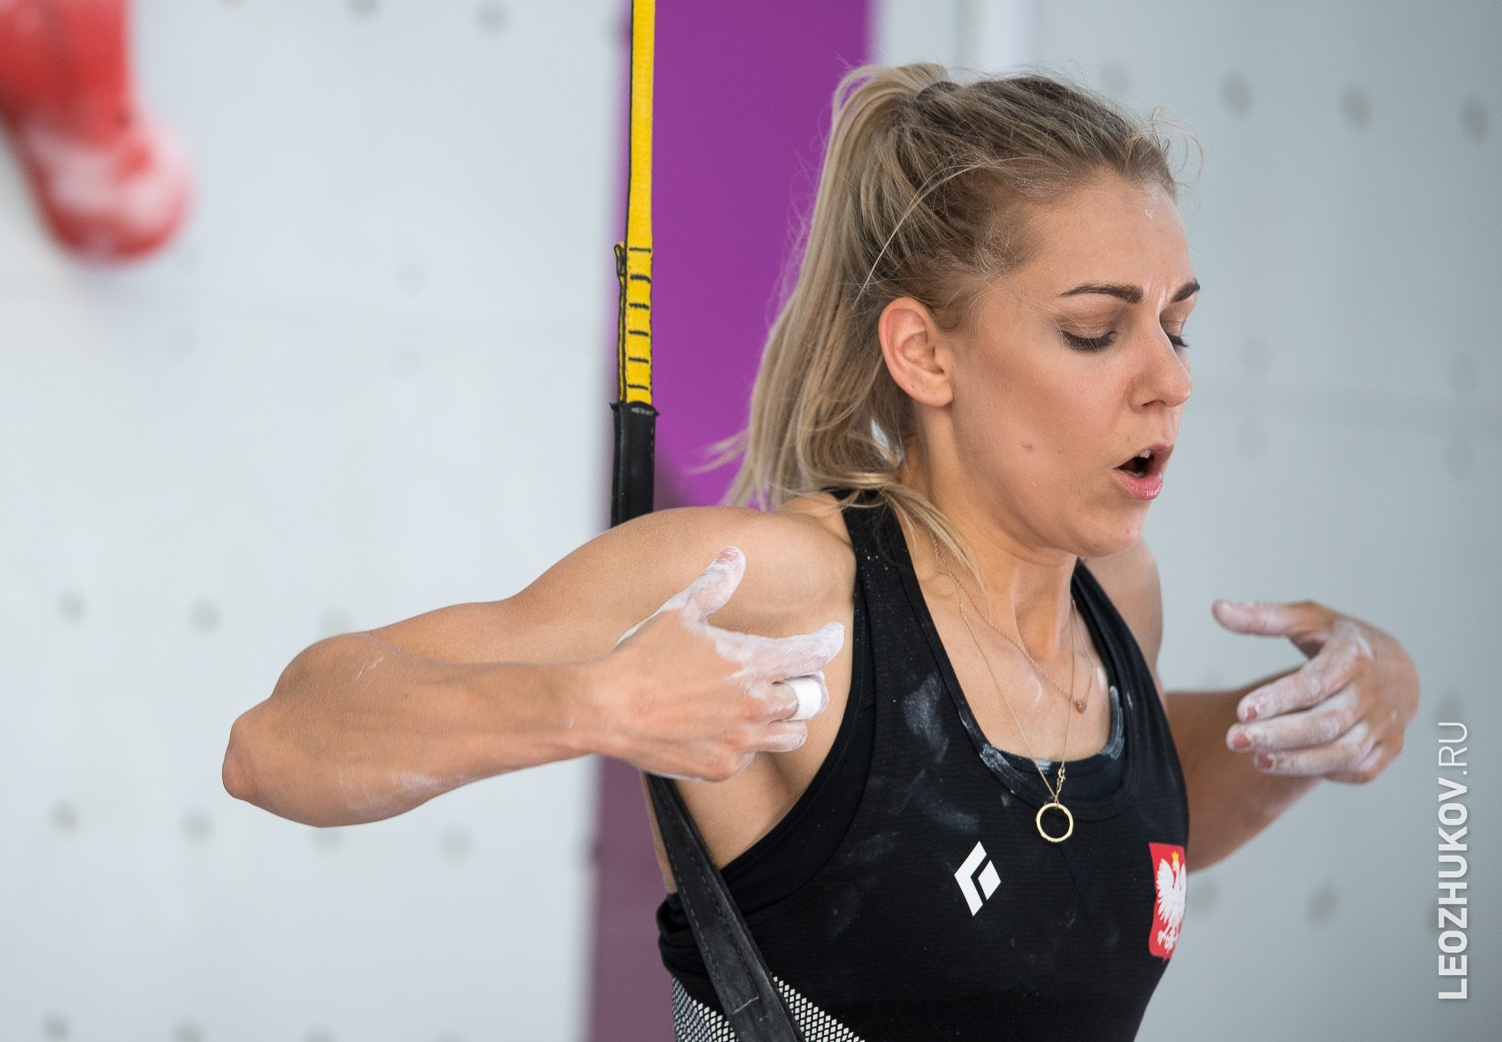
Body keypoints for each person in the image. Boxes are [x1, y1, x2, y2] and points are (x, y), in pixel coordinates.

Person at [221, 64, 1420, 1041]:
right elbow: (278, 740)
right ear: (924, 354)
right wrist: (586, 703)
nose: (1170, 379)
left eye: (1177, 324)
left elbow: (1122, 839)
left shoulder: (1113, 600)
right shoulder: (776, 594)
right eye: (1096, 331)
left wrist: (1326, 711)